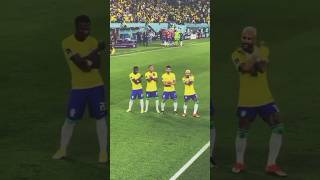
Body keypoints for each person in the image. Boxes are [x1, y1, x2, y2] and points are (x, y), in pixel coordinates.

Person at [231, 26, 287, 177]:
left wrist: (255, 58)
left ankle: (271, 164)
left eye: (249, 39)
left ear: (254, 39)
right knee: (242, 130)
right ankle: (239, 162)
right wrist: (256, 55)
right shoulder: (236, 54)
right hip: (246, 101)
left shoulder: (264, 50)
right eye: (244, 38)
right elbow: (244, 68)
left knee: (278, 127)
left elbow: (261, 68)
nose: (246, 41)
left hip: (265, 99)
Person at [53, 15, 107, 163]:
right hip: (78, 88)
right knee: (70, 120)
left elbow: (96, 65)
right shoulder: (67, 43)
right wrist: (95, 52)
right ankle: (62, 149)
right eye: (83, 28)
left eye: (88, 28)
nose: (86, 31)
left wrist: (87, 59)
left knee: (100, 118)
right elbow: (82, 67)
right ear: (76, 28)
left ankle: (103, 153)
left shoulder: (93, 41)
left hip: (96, 86)